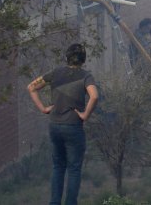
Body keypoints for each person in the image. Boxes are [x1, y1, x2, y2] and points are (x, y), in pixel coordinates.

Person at [27, 43, 99, 205]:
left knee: (58, 167)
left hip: (54, 126)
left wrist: (44, 109)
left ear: (67, 57)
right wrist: (85, 115)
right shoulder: (86, 76)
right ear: (83, 59)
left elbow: (31, 87)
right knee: (74, 169)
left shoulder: (55, 72)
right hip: (73, 127)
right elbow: (94, 96)